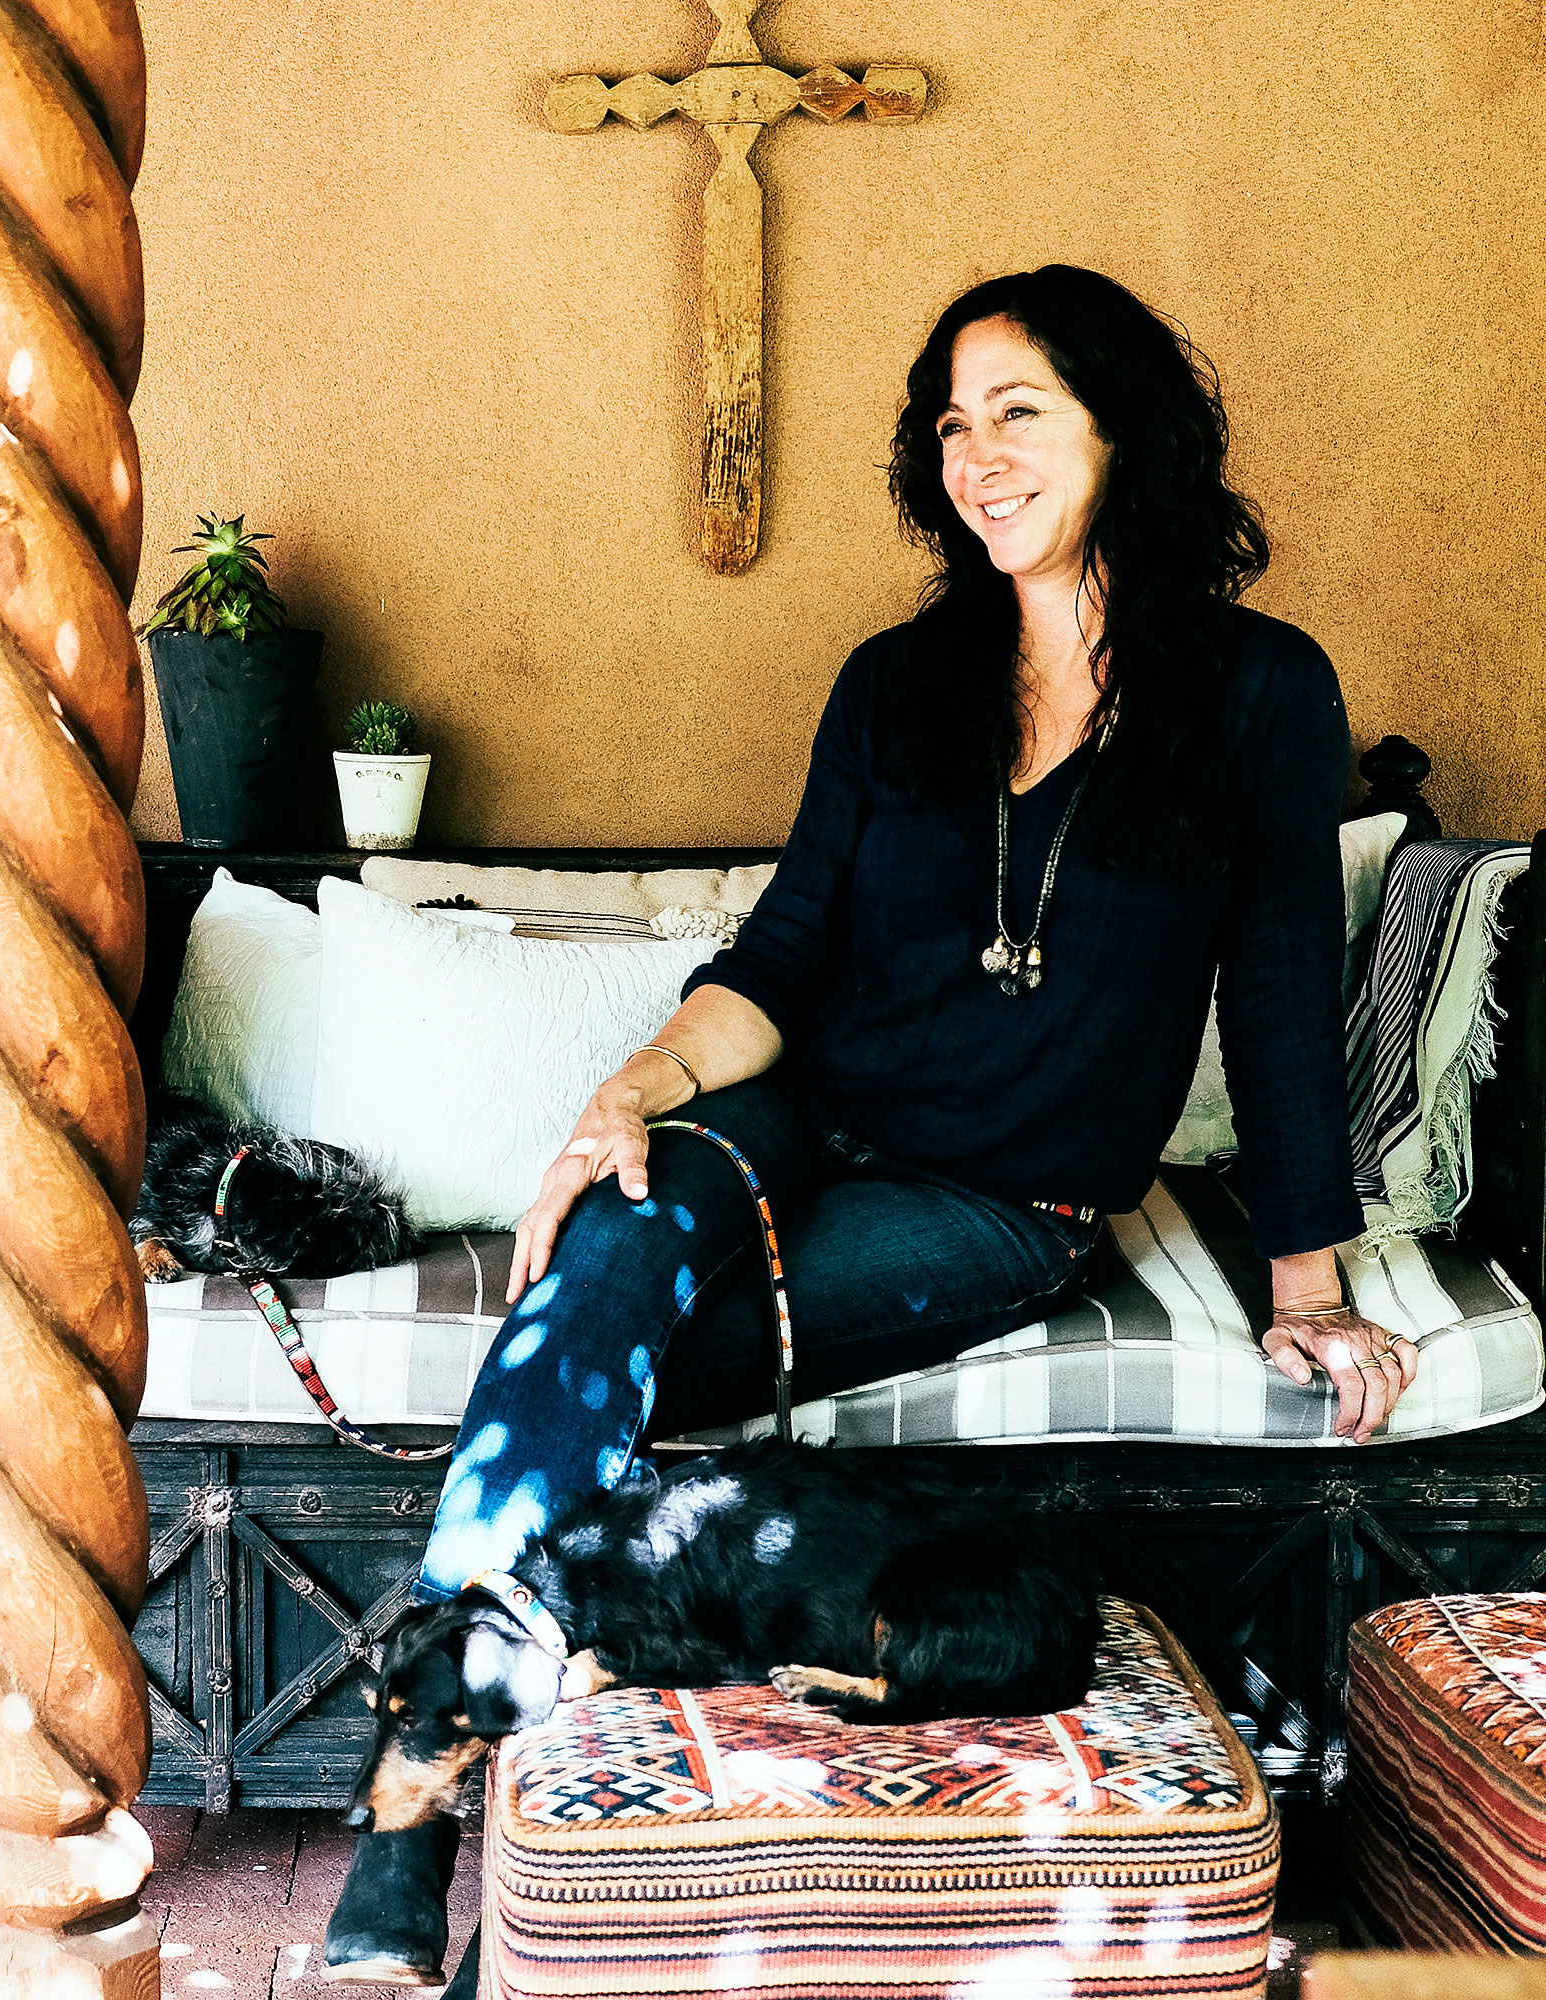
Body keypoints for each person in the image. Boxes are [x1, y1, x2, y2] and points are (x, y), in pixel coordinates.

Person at [322, 263, 1415, 1986]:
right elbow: (782, 963)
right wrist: (632, 1091)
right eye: (953, 425)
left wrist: (1310, 1289)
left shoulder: (1259, 693)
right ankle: (438, 1808)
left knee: (588, 1355)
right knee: (606, 1255)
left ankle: (464, 1799)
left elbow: (1281, 1001)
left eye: (1020, 413)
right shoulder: (898, 684)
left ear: (1124, 432)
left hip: (1006, 1201)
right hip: (792, 1117)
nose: (978, 456)